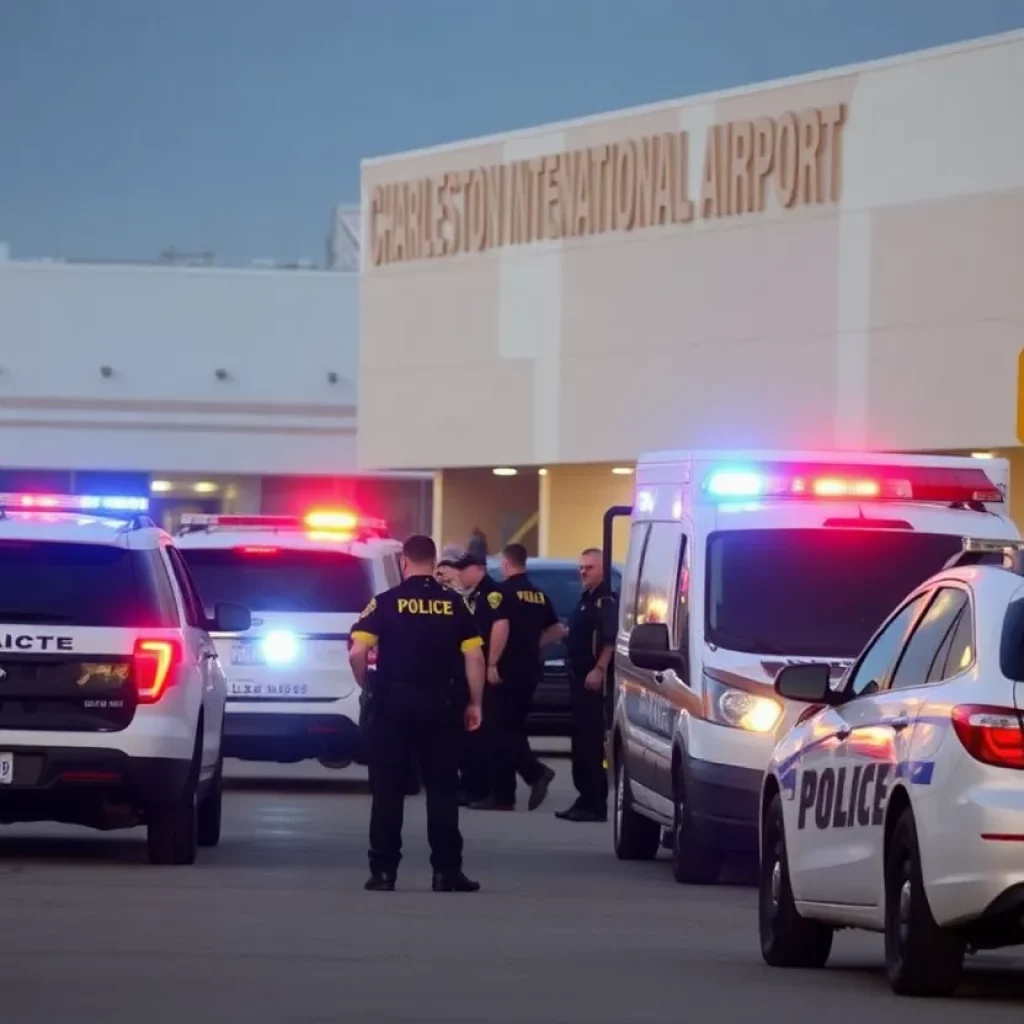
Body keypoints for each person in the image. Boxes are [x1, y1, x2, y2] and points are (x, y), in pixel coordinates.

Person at [348, 534, 486, 892]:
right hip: (440, 705)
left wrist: (367, 686)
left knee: (388, 789)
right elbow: (474, 656)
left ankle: (383, 873)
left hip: (392, 705)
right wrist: (475, 703)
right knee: (441, 788)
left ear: (404, 563)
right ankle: (446, 872)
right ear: (434, 560)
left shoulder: (384, 603)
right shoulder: (455, 604)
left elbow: (356, 652)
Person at [472, 543, 561, 812]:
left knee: (498, 731)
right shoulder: (538, 596)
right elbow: (557, 630)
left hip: (504, 672)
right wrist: (532, 646)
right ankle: (503, 796)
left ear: (506, 563)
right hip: (529, 671)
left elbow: (501, 627)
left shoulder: (500, 593)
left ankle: (534, 773)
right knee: (512, 729)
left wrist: (492, 664)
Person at [555, 547, 617, 823]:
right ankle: (584, 800)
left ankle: (594, 803)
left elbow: (610, 640)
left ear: (603, 568)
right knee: (580, 744)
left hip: (593, 684)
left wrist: (600, 669)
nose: (583, 571)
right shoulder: (586, 599)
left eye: (589, 567)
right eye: (581, 567)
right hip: (578, 681)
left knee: (591, 746)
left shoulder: (605, 601)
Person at [452, 548, 511, 807]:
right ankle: (475, 788)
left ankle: (495, 792)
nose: (460, 574)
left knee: (490, 735)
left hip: (488, 674)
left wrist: (491, 664)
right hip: (474, 673)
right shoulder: (474, 595)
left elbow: (500, 626)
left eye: (464, 569)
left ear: (479, 568)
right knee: (475, 735)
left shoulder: (492, 594)